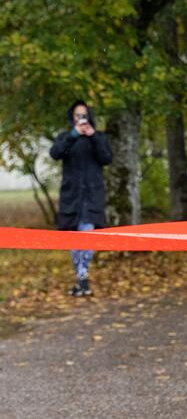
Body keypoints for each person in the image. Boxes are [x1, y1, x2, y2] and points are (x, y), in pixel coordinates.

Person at [49, 100, 113, 297]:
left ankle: (82, 276)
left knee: (88, 236)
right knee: (75, 241)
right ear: (72, 118)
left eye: (84, 115)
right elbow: (55, 153)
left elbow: (107, 158)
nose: (81, 118)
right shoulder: (66, 138)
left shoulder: (99, 138)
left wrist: (93, 137)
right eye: (77, 115)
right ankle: (81, 278)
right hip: (72, 198)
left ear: (90, 116)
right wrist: (74, 135)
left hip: (92, 197)